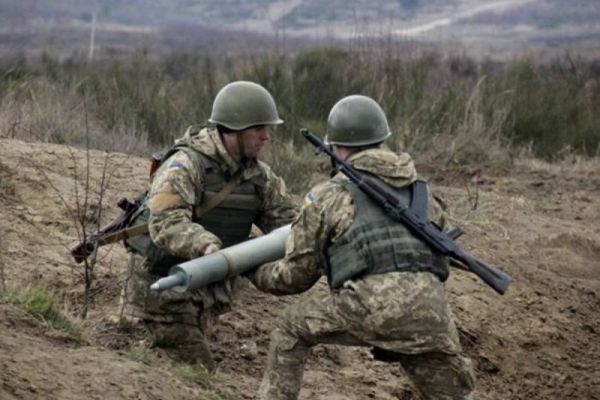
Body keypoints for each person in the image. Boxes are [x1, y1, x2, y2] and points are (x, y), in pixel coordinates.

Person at [248, 95, 476, 399]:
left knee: (289, 328)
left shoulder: (328, 196)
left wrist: (254, 270)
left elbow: (294, 278)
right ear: (382, 140)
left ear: (336, 148)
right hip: (430, 315)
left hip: (364, 310)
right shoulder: (423, 191)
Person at [121, 80, 298, 370]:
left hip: (208, 289)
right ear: (234, 129)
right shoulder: (184, 165)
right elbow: (166, 222)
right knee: (200, 375)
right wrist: (203, 244)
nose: (266, 136)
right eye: (258, 129)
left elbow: (291, 222)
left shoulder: (259, 177)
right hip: (163, 287)